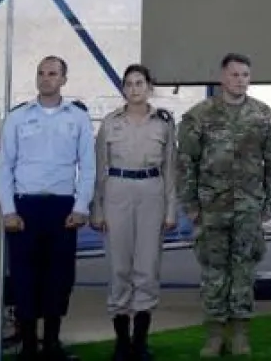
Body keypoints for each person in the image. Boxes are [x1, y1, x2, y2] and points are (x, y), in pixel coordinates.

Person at [177, 54, 271, 357]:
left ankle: (240, 333)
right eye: (235, 74)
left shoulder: (264, 116)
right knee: (213, 272)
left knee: (243, 270)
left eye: (245, 75)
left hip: (248, 207)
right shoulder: (199, 116)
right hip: (211, 207)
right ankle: (214, 334)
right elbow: (186, 163)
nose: (240, 80)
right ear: (222, 77)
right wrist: (190, 204)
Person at [0, 55, 96, 361]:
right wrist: (8, 211)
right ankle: (28, 347)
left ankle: (52, 345)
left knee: (59, 278)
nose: (46, 78)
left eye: (52, 73)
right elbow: (4, 167)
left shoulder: (77, 118)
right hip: (25, 208)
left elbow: (88, 167)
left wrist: (81, 207)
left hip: (63, 209)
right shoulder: (18, 117)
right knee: (25, 277)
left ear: (64, 79)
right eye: (41, 73)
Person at [90, 64, 177, 361]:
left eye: (140, 83)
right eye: (128, 84)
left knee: (147, 267)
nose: (134, 89)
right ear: (123, 89)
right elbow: (98, 169)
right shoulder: (110, 123)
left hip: (151, 190)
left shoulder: (163, 123)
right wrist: (97, 209)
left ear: (149, 87)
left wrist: (170, 209)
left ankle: (140, 342)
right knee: (118, 268)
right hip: (117, 190)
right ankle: (121, 342)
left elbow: (170, 169)